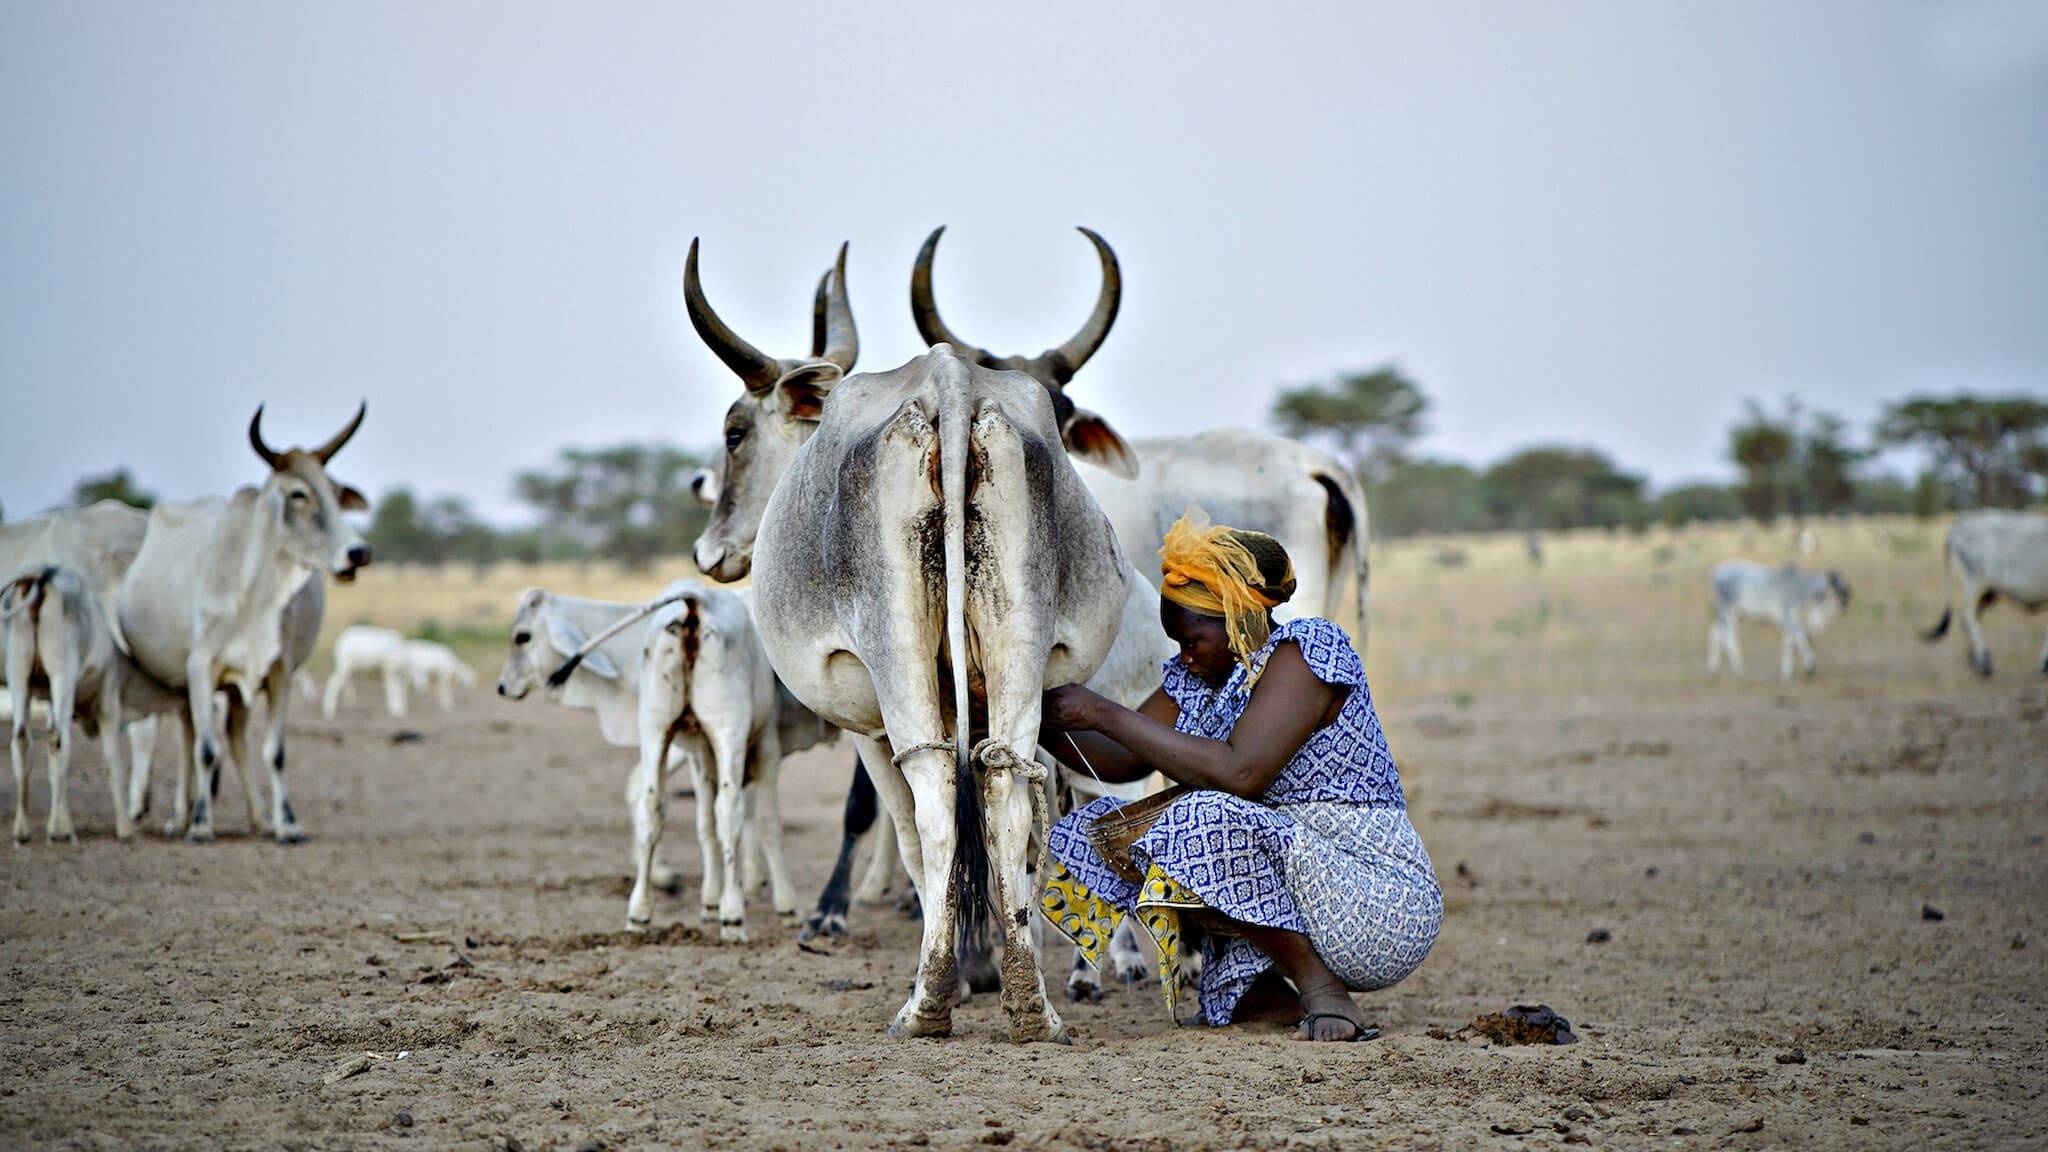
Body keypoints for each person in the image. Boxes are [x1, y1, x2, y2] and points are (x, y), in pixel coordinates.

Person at [1039, 512, 1441, 1042]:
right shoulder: (1203, 676)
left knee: (1198, 814)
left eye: (1191, 640)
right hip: (1296, 876)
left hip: (1371, 894)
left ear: (1235, 617)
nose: (1183, 655)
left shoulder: (1308, 652)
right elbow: (1121, 759)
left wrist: (1100, 711)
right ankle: (1266, 992)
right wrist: (1027, 712)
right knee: (1105, 829)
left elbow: (1241, 772)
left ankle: (1324, 991)